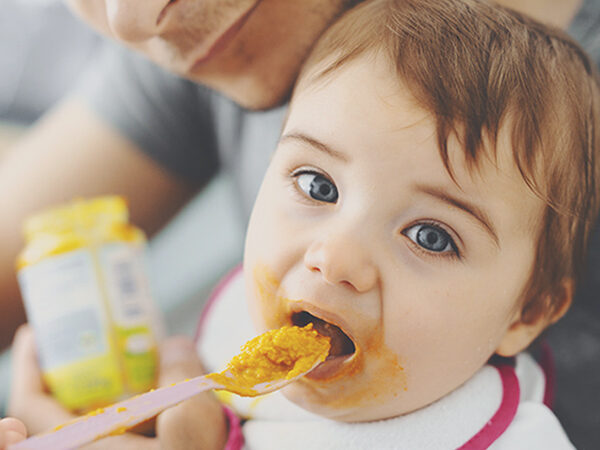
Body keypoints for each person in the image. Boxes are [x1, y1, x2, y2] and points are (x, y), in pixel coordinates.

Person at [2, 0, 599, 447]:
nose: (333, 257)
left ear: (527, 313)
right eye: (317, 186)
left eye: (431, 236)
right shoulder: (217, 45)